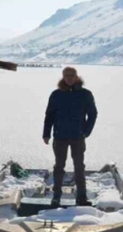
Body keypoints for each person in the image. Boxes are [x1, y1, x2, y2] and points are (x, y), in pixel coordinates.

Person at [42, 66, 98, 207]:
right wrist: (46, 133)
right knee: (59, 166)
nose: (69, 78)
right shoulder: (56, 94)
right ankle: (56, 196)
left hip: (78, 137)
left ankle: (81, 196)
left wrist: (86, 132)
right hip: (60, 136)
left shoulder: (85, 94)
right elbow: (49, 115)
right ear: (63, 76)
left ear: (76, 76)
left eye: (71, 75)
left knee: (79, 166)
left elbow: (93, 114)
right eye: (66, 75)